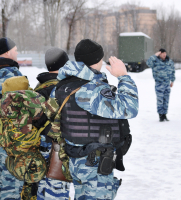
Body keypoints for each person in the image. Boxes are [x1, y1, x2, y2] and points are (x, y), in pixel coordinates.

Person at [47, 39, 138, 199]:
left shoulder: (62, 86)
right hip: (93, 163)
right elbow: (129, 108)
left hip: (76, 160)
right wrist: (123, 76)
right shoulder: (90, 89)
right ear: (98, 60)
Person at [34, 47, 70, 200]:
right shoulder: (67, 88)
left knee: (40, 191)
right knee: (58, 193)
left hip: (39, 147)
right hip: (59, 150)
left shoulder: (37, 89)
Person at [0, 37, 24, 200]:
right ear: (7, 52)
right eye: (15, 50)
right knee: (10, 190)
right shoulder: (12, 77)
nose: (17, 53)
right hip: (9, 145)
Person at [146, 48, 175, 122]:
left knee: (166, 100)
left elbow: (172, 71)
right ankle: (160, 115)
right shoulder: (155, 61)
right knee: (160, 100)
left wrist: (172, 81)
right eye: (162, 53)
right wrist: (155, 55)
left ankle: (165, 115)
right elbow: (148, 63)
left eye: (165, 53)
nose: (164, 55)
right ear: (159, 54)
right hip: (159, 84)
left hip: (167, 84)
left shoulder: (169, 61)